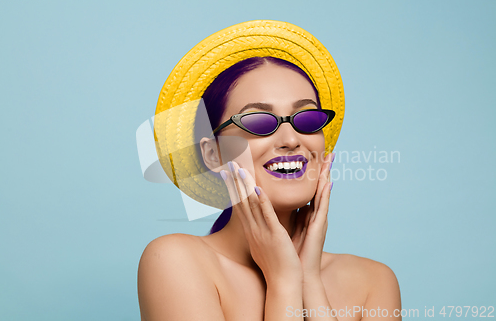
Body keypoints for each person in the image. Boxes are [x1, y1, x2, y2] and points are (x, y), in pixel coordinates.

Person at [138, 21, 401, 321]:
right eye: (259, 123)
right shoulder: (175, 261)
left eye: (306, 118)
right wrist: (284, 282)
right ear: (212, 154)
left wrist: (309, 282)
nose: (291, 140)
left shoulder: (373, 282)